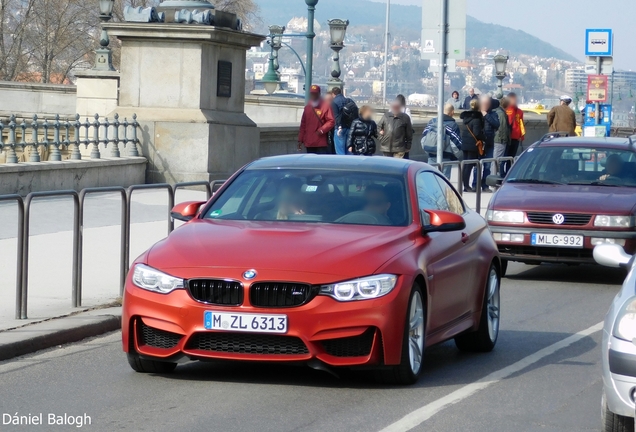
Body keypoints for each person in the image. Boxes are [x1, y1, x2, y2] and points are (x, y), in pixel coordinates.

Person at [421, 103, 463, 179]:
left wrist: (428, 150)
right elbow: (456, 144)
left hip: (431, 154)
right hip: (446, 157)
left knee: (431, 178)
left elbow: (424, 138)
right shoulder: (452, 125)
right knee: (443, 181)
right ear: (452, 112)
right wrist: (455, 155)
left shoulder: (432, 121)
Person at [472, 96, 500, 193]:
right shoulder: (476, 114)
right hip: (479, 143)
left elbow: (497, 124)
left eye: (487, 103)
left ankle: (485, 185)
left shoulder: (493, 114)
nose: (485, 105)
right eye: (484, 103)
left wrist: (486, 115)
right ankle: (475, 184)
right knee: (477, 165)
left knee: (487, 165)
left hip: (489, 143)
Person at [298, 85, 335, 154]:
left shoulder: (325, 106)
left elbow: (331, 121)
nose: (313, 96)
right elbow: (303, 124)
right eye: (312, 94)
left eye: (315, 94)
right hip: (309, 142)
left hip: (320, 142)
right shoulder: (307, 108)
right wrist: (300, 139)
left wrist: (321, 130)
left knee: (321, 163)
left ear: (319, 94)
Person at [460, 99, 485, 193]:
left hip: (465, 143)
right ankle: (466, 186)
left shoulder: (466, 118)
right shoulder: (476, 119)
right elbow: (477, 133)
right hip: (472, 144)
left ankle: (465, 184)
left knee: (466, 165)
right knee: (469, 165)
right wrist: (484, 137)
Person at [505, 92, 525, 173]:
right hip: (507, 137)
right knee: (505, 156)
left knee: (511, 157)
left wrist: (522, 135)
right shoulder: (506, 110)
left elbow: (521, 124)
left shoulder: (519, 112)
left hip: (516, 137)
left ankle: (508, 172)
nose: (514, 101)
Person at [331, 87, 353, 155]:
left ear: (333, 94)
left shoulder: (334, 102)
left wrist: (339, 126)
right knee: (349, 151)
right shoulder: (349, 100)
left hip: (339, 129)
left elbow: (336, 116)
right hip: (349, 128)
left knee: (340, 152)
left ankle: (342, 165)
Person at [493, 97, 511, 177]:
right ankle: (494, 177)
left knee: (496, 160)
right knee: (497, 160)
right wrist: (505, 140)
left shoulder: (498, 111)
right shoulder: (502, 114)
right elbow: (503, 128)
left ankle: (495, 176)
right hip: (500, 140)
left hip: (498, 139)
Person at [396, 94, 412, 159]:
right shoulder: (406, 110)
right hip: (403, 139)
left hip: (393, 139)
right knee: (404, 160)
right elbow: (410, 122)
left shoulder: (391, 110)